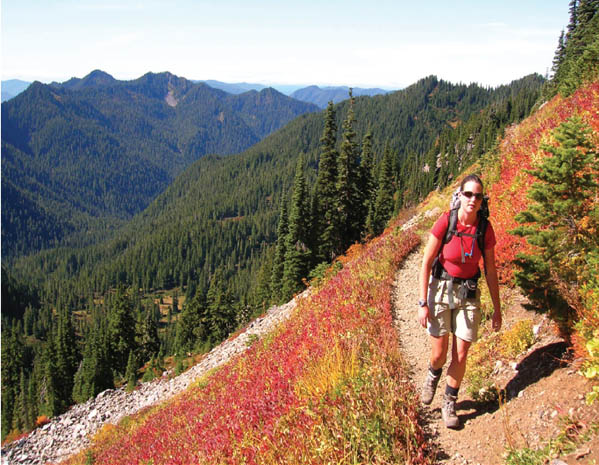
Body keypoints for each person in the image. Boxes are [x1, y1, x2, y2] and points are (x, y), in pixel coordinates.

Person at [417, 174, 501, 428]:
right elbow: (425, 263)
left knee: (461, 353)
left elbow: (490, 270)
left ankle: (449, 402)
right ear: (460, 195)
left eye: (478, 196)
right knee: (439, 354)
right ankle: (433, 374)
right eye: (468, 194)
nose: (473, 200)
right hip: (441, 290)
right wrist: (423, 302)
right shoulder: (446, 221)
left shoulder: (485, 229)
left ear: (481, 199)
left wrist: (497, 308)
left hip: (469, 293)